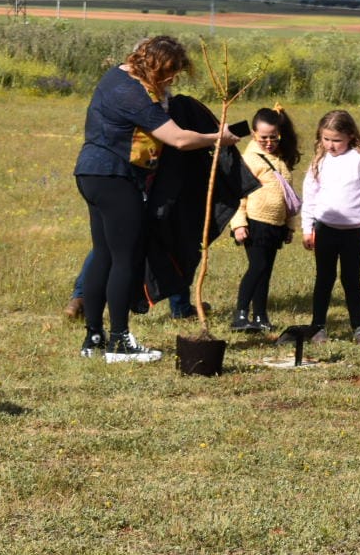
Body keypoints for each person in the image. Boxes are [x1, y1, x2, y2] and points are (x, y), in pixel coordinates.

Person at [73, 36, 238, 363]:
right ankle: (119, 342)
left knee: (105, 255)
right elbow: (176, 138)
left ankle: (93, 337)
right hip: (115, 177)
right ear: (152, 64)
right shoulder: (131, 94)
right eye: (168, 72)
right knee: (126, 258)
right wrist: (218, 137)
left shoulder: (116, 76)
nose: (171, 80)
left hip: (91, 174)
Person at [302, 110, 360, 345]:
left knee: (351, 280)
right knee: (324, 278)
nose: (330, 145)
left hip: (353, 233)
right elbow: (310, 195)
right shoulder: (319, 161)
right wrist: (308, 228)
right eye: (325, 139)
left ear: (350, 136)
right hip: (325, 229)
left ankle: (359, 328)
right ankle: (317, 327)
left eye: (336, 140)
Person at [230, 107, 300, 333]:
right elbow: (237, 194)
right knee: (257, 266)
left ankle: (261, 315)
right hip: (255, 222)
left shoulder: (278, 159)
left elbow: (287, 195)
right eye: (263, 138)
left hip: (276, 225)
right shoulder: (249, 159)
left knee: (266, 270)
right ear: (253, 135)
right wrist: (239, 223)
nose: (269, 142)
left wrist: (289, 226)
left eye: (273, 137)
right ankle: (240, 314)